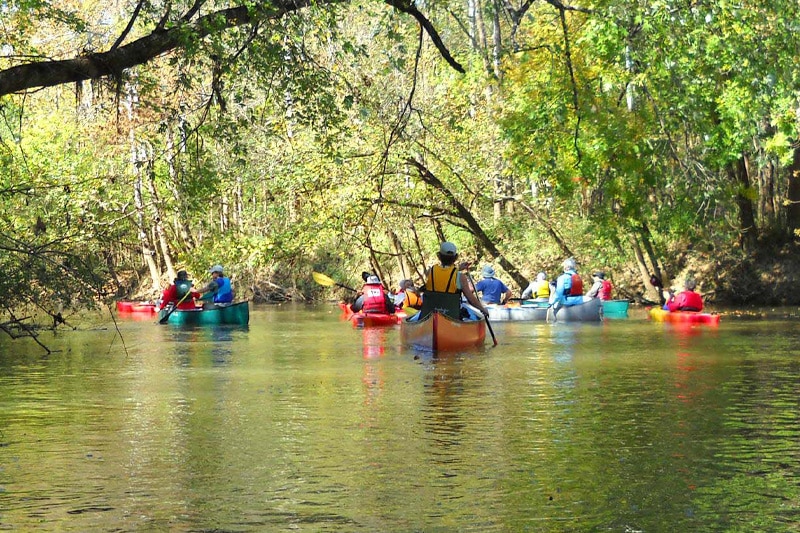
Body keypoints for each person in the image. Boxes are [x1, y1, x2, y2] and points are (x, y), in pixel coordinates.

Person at [417, 242, 488, 320]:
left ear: (439, 256)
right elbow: (471, 300)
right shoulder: (460, 277)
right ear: (455, 258)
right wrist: (483, 309)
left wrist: (458, 269)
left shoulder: (430, 272)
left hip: (429, 315)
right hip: (451, 316)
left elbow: (444, 275)